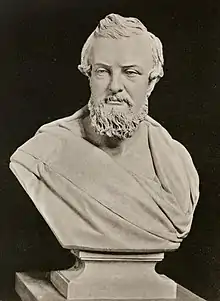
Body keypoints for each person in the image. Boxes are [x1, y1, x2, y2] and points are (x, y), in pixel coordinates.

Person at [9, 13, 199, 253]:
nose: (115, 86)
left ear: (151, 82)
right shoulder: (44, 152)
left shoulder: (178, 163)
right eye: (103, 71)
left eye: (130, 73)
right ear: (88, 75)